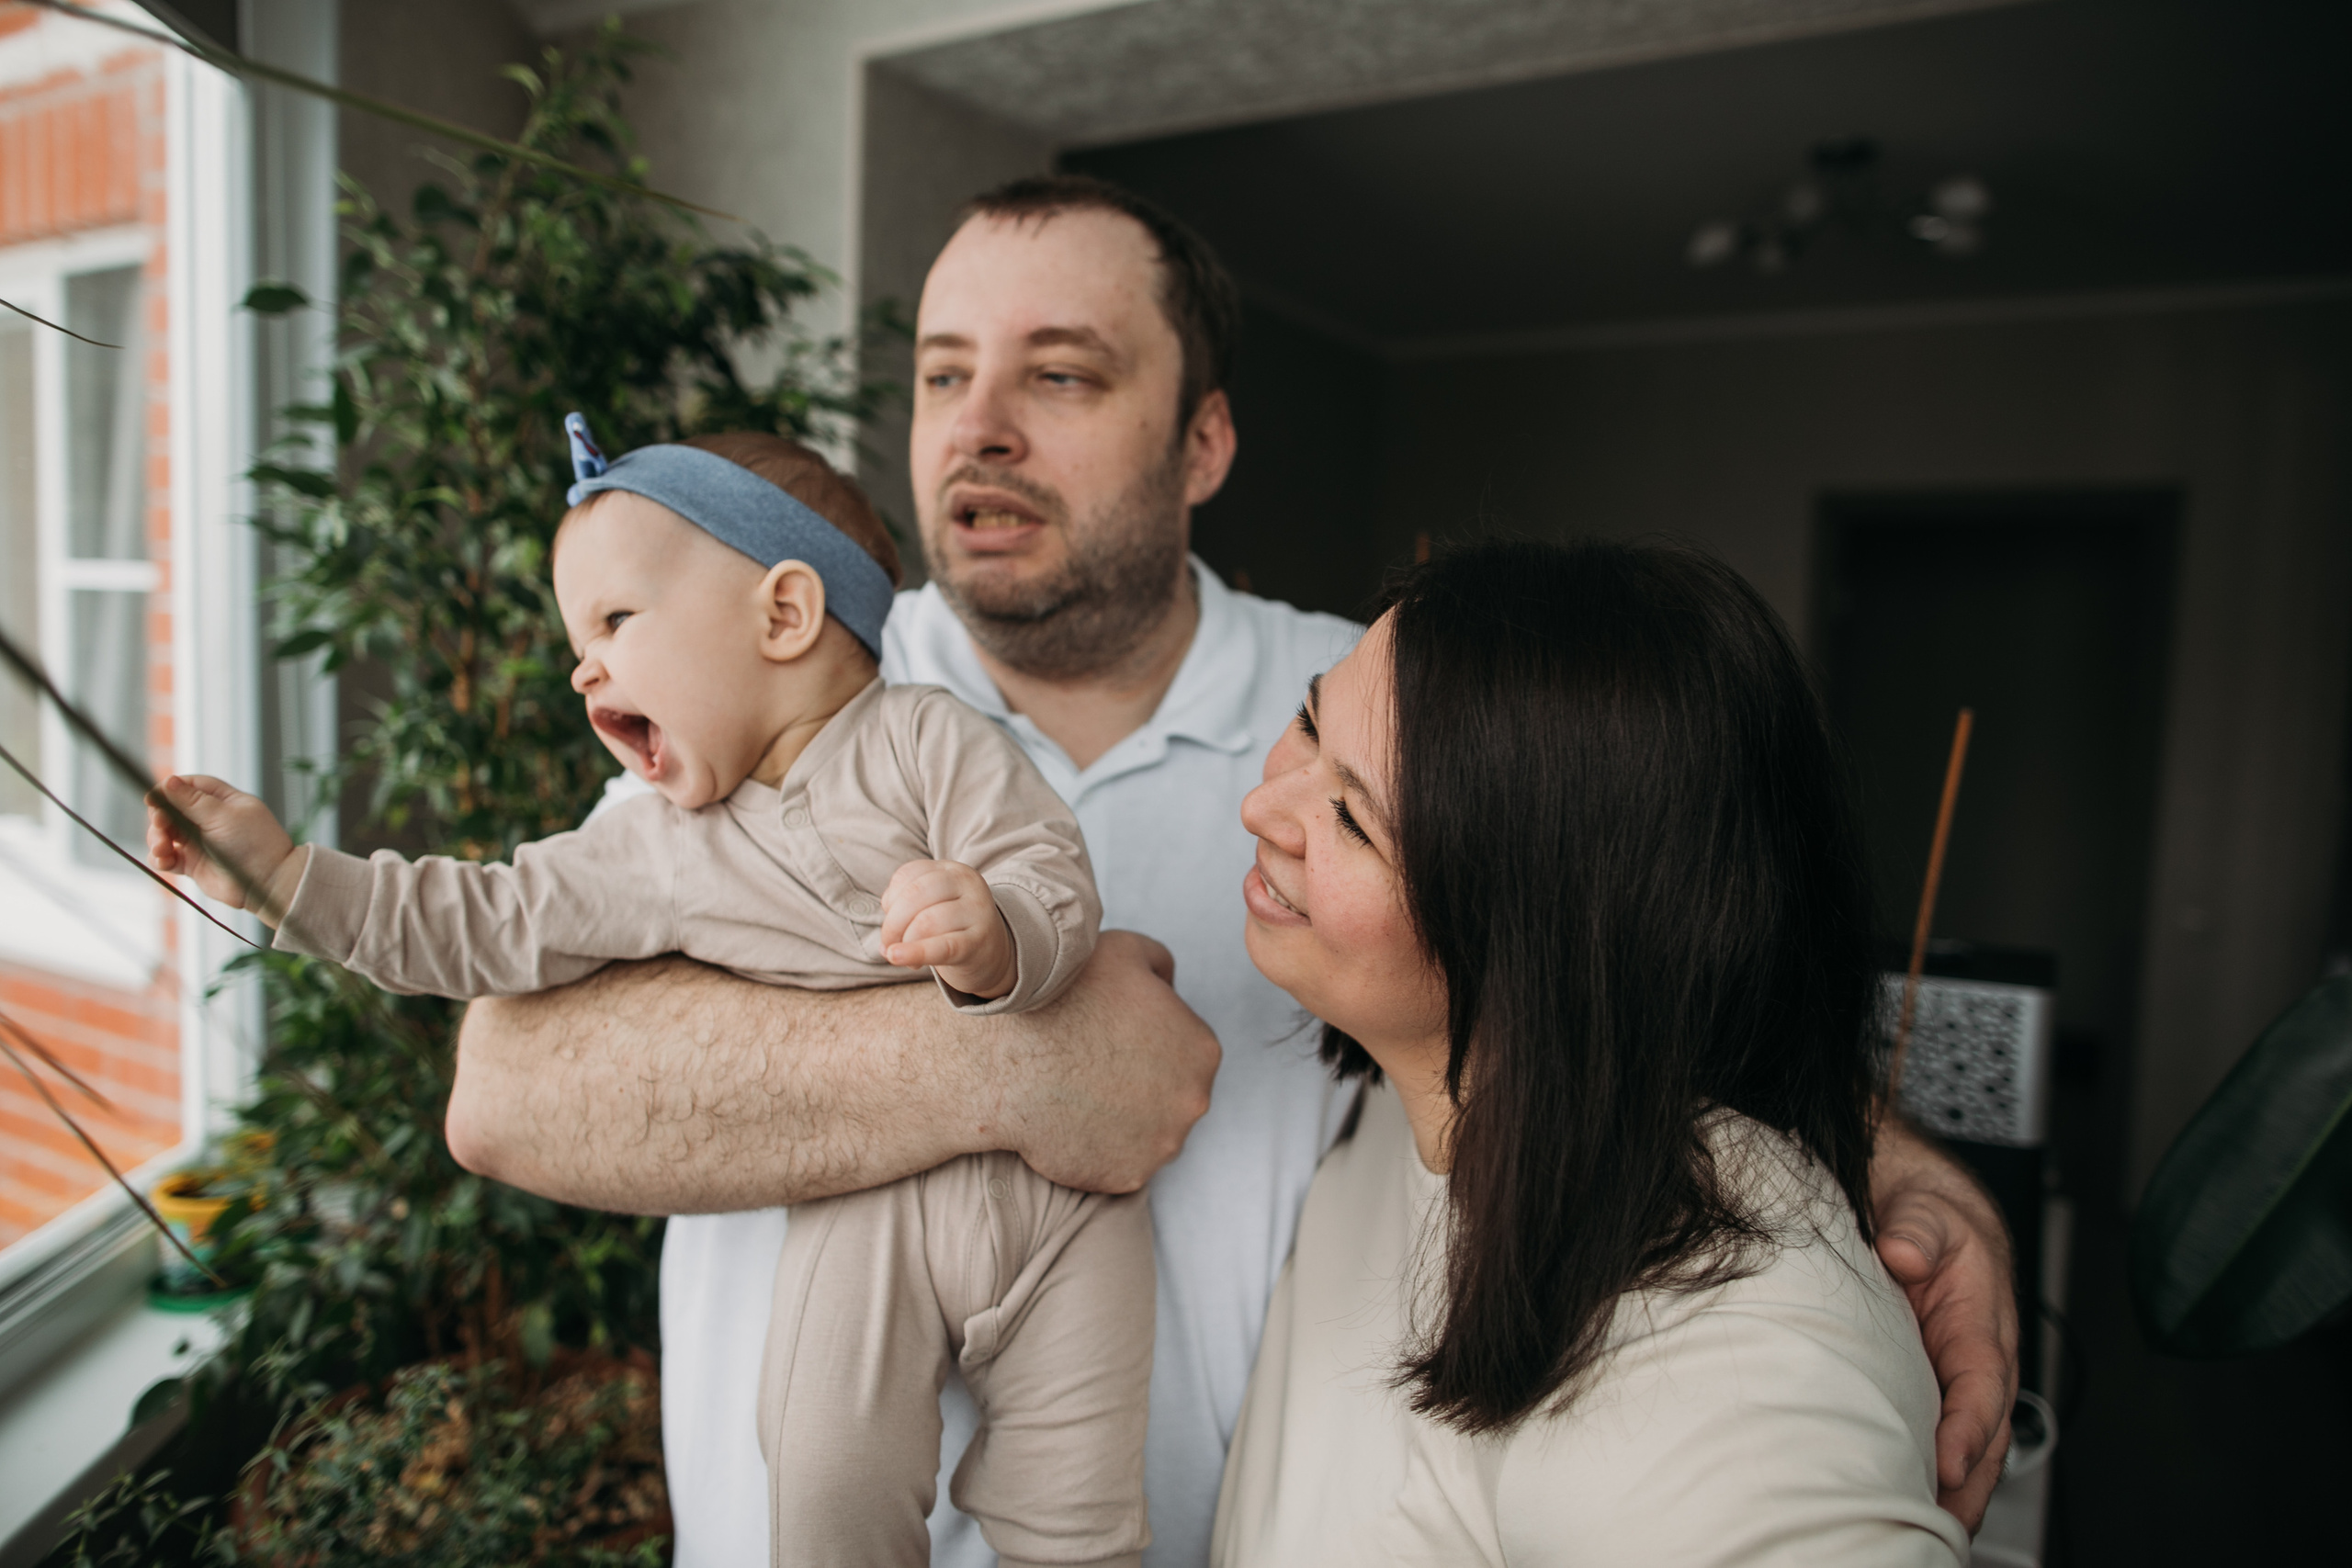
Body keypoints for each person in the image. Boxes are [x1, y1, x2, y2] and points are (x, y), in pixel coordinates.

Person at [444, 175, 2020, 1567]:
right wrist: (1007, 1070)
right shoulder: (778, 695)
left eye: (1059, 372)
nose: (979, 424)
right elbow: (508, 1091)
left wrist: (1898, 1163)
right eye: (942, 374)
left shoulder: (1370, 724)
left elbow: (1615, 959)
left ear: (1204, 440)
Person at [145, 429, 1152, 1568]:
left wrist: (997, 928)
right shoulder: (649, 848)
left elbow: (1048, 871)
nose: (582, 669)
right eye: (576, 642)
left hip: (1063, 1205)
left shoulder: (933, 741)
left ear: (784, 615)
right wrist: (284, 881)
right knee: (821, 1470)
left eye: (614, 622)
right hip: (865, 1196)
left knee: (1080, 1507)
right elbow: (477, 919)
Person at [1216, 537, 1970, 1565]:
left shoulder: (1727, 1359)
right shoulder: (1410, 1092)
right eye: (1308, 721)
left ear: (1537, 937)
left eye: (1349, 818)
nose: (1264, 807)